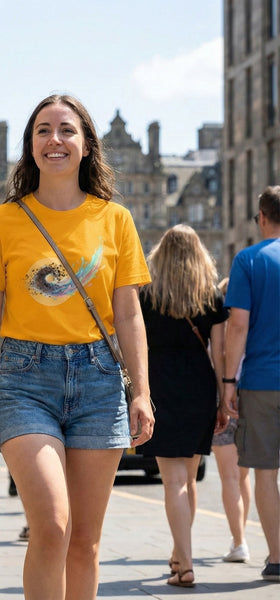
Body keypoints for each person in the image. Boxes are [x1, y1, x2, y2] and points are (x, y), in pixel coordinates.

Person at [0, 94, 154, 600]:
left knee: (85, 543)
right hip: (26, 378)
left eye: (66, 130)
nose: (55, 140)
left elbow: (129, 314)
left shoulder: (115, 220)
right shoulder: (2, 222)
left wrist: (142, 393)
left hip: (98, 377)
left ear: (86, 145)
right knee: (52, 524)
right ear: (30, 145)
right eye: (43, 130)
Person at [138, 225, 228, 587]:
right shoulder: (209, 295)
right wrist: (224, 398)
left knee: (173, 481)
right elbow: (218, 354)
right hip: (199, 388)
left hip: (160, 387)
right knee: (188, 480)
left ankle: (184, 561)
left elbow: (136, 346)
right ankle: (180, 555)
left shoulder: (147, 294)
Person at [222, 185, 280, 583]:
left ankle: (277, 557)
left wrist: (229, 381)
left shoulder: (248, 260)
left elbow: (237, 325)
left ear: (261, 217)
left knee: (265, 473)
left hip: (262, 380)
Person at [211, 277, 251, 563]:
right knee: (244, 475)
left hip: (223, 403)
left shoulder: (219, 332)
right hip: (252, 396)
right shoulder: (251, 329)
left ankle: (239, 542)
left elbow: (214, 364)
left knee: (229, 476)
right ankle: (241, 537)